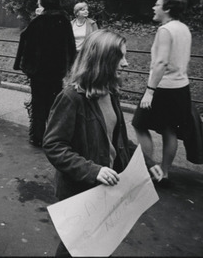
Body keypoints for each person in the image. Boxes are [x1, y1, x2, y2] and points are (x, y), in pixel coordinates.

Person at [43, 30, 163, 257]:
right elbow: (53, 145)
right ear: (103, 60)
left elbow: (117, 140)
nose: (126, 63)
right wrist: (93, 170)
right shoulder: (72, 97)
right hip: (81, 192)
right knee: (74, 247)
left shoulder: (110, 92)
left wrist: (146, 162)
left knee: (94, 246)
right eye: (122, 57)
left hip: (105, 189)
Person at [132, 0, 195, 188]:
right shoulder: (184, 28)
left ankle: (146, 169)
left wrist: (150, 91)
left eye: (157, 5)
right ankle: (164, 173)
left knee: (139, 123)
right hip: (181, 87)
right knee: (170, 131)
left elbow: (160, 62)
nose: (153, 7)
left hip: (163, 86)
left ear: (167, 9)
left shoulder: (165, 30)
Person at [13, 0, 76, 147]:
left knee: (39, 104)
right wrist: (69, 66)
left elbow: (25, 41)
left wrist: (25, 66)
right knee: (55, 103)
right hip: (57, 71)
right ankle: (55, 135)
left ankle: (37, 136)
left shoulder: (38, 22)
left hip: (39, 73)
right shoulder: (64, 21)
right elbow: (71, 46)